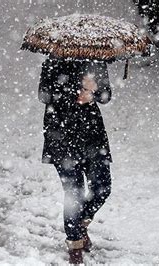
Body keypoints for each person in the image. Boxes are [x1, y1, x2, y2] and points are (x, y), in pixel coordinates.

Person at [38, 56, 113, 264]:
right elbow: (44, 95)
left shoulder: (96, 62)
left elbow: (106, 96)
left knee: (102, 186)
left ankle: (79, 224)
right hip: (61, 135)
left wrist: (94, 91)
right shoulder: (52, 62)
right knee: (74, 192)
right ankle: (74, 245)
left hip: (92, 136)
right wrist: (76, 90)